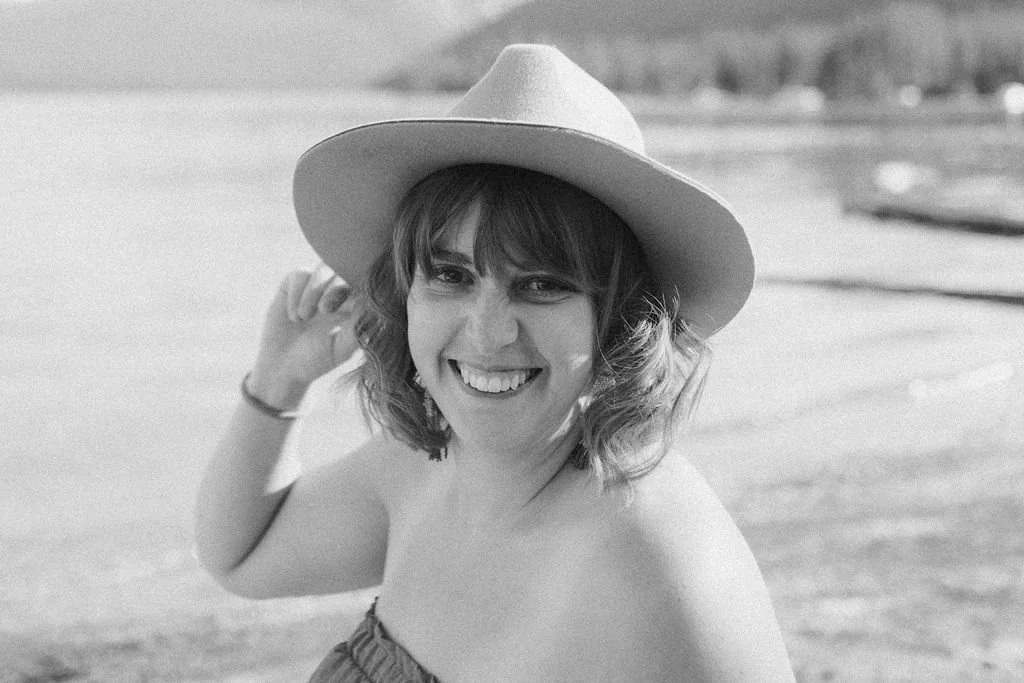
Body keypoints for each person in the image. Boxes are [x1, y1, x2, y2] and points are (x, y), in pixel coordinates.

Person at [195, 44, 795, 682]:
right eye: (450, 276)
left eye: (540, 284)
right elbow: (241, 556)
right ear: (406, 299)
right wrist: (278, 382)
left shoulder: (656, 554)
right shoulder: (422, 469)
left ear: (618, 318)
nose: (487, 332)